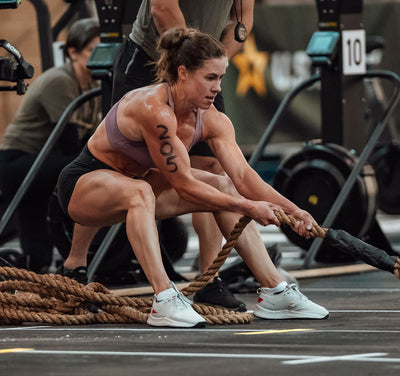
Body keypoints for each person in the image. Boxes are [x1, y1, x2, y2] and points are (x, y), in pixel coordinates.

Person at [56, 27, 329, 328]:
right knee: (141, 192)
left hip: (137, 185)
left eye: (221, 78)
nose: (218, 88)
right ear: (183, 73)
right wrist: (250, 208)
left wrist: (295, 210)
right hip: (84, 186)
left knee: (221, 183)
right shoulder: (153, 109)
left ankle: (275, 290)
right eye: (210, 78)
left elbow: (243, 176)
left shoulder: (212, 119)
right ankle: (164, 299)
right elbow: (184, 185)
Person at [60, 0, 259, 311]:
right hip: (151, 56)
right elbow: (162, 8)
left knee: (210, 167)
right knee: (116, 163)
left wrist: (211, 67)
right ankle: (75, 265)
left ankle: (209, 278)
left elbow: (242, 23)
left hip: (198, 66)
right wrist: (190, 60)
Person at [0, 18, 101, 273]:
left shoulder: (93, 83)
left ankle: (41, 263)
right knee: (88, 169)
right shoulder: (61, 81)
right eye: (91, 50)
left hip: (42, 160)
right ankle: (80, 257)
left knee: (38, 259)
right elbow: (71, 144)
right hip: (17, 162)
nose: (97, 57)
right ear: (72, 52)